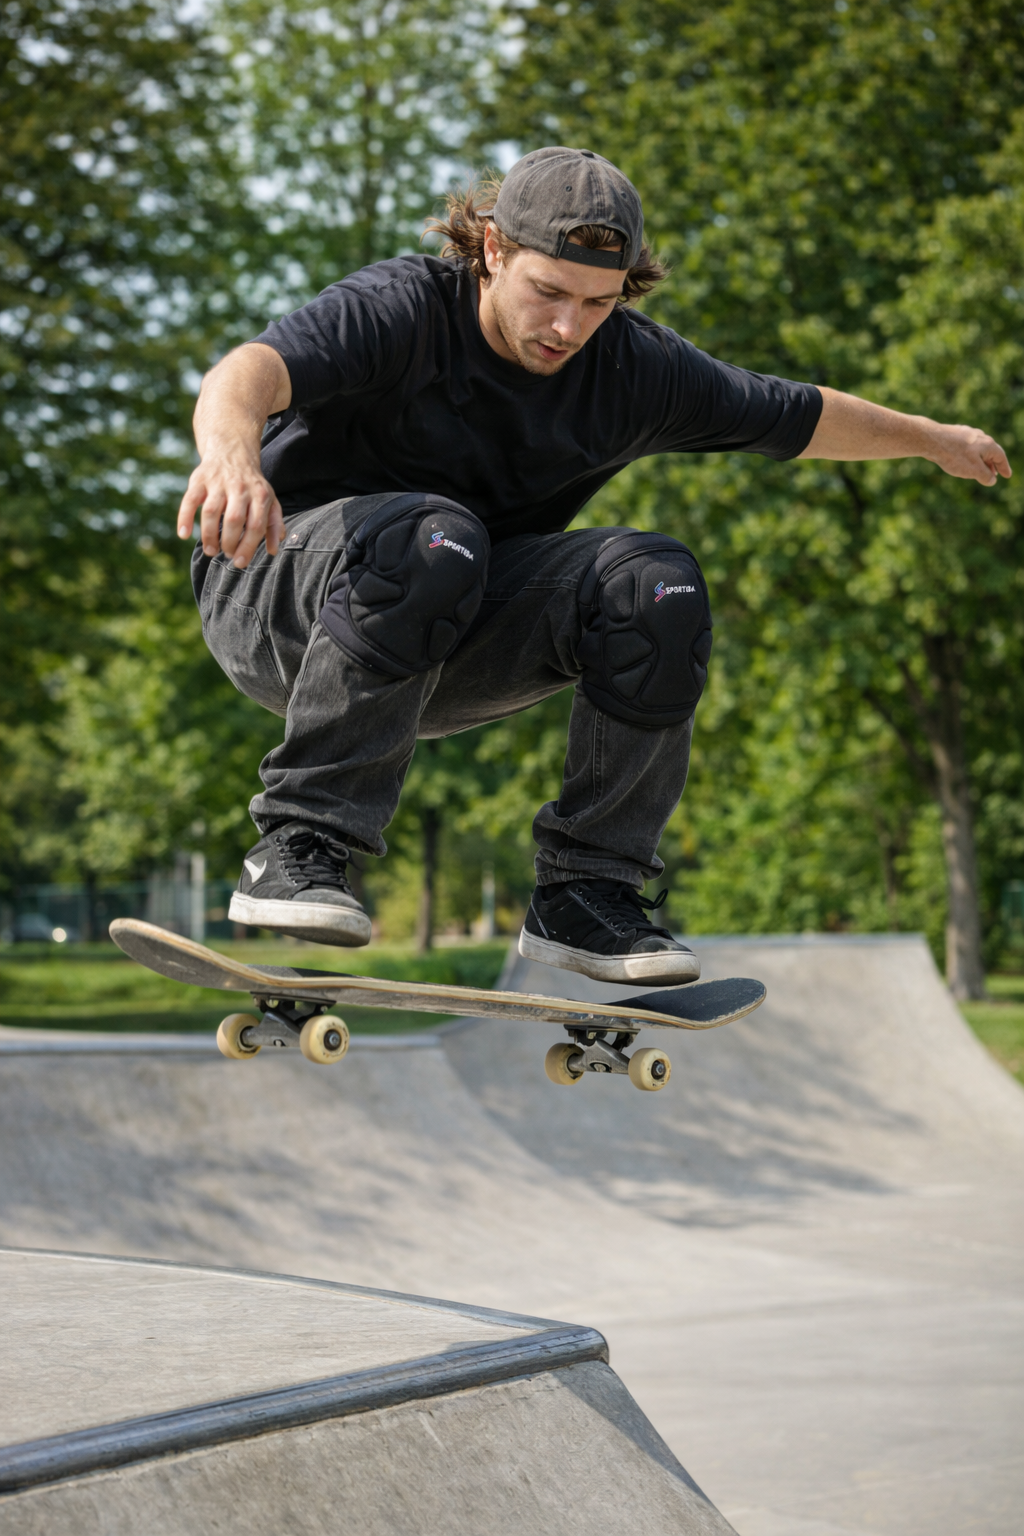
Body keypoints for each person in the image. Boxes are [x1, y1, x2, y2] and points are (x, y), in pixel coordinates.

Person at [179, 147, 1010, 985]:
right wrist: (231, 461)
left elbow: (790, 411)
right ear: (493, 251)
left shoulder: (633, 369)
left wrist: (934, 441)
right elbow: (246, 373)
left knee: (656, 582)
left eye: (597, 303)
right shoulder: (404, 308)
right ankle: (299, 842)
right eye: (548, 292)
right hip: (272, 592)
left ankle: (587, 891)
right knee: (436, 533)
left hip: (445, 640)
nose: (568, 329)